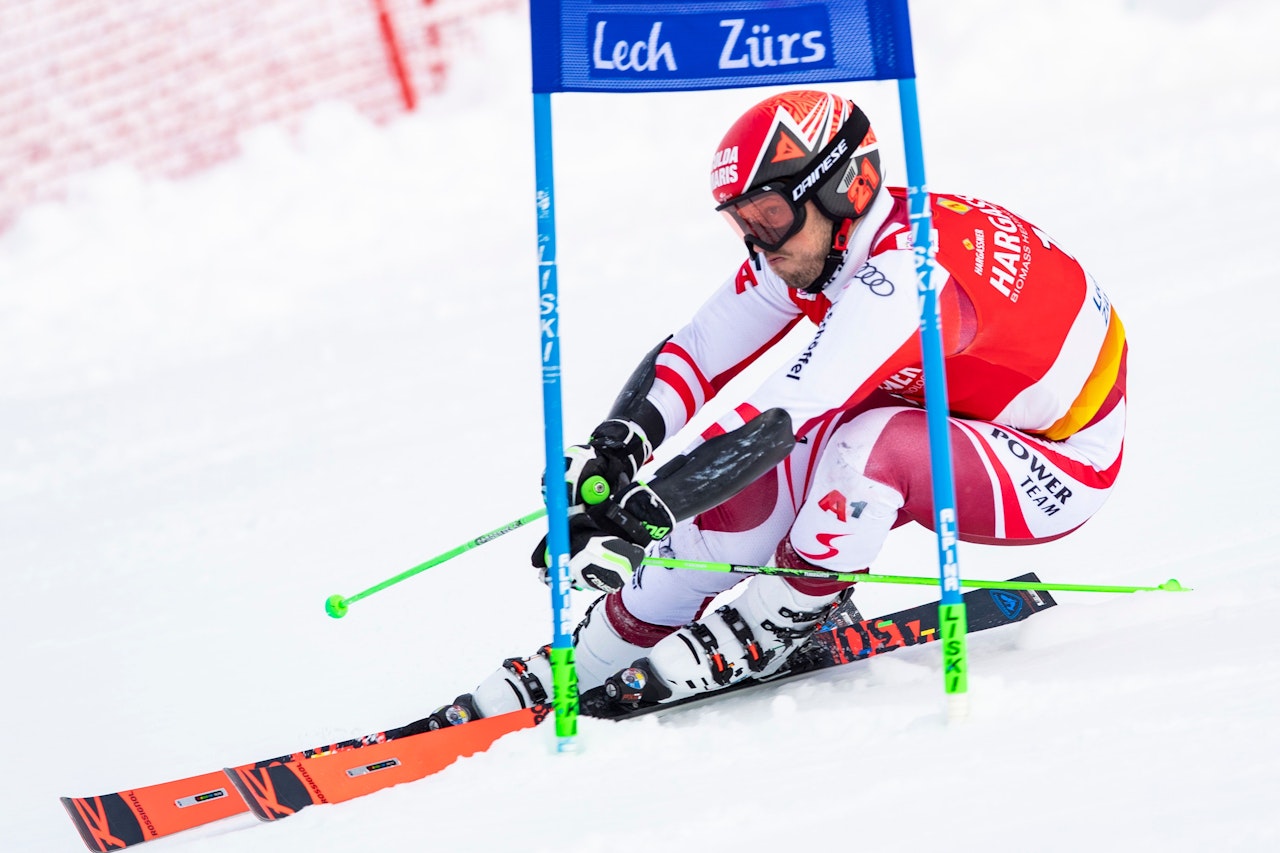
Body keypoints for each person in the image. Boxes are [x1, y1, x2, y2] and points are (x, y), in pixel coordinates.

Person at [429, 88, 1127, 725]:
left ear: (844, 186)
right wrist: (617, 449)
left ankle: (776, 624)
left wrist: (648, 509)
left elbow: (791, 407)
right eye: (742, 223)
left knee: (864, 445)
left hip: (1059, 459)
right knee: (755, 492)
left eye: (768, 215)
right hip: (956, 408)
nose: (759, 243)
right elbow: (701, 348)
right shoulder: (820, 242)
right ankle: (601, 647)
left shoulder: (906, 272)